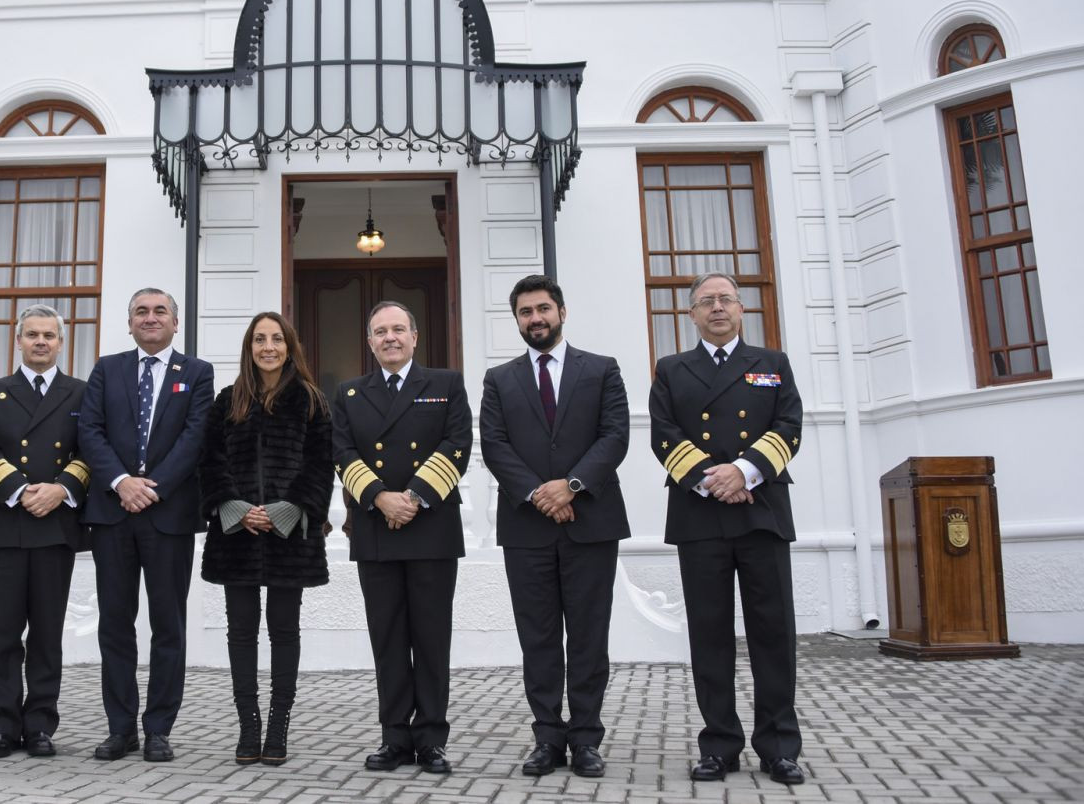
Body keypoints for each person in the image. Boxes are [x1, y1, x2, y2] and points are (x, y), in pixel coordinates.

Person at [648, 271, 806, 785]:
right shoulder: (672, 369)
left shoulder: (772, 364)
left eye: (726, 300)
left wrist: (745, 471)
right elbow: (664, 435)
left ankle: (779, 745)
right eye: (706, 302)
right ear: (691, 314)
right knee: (709, 635)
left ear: (741, 309)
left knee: (773, 633)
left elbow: (789, 426)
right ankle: (719, 744)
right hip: (700, 517)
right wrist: (712, 480)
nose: (717, 308)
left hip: (761, 513)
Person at [478, 274, 630, 778]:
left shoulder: (602, 370)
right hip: (527, 528)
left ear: (561, 312)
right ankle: (547, 736)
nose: (535, 319)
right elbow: (495, 445)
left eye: (543, 309)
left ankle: (586, 738)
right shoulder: (498, 380)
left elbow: (615, 436)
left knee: (589, 636)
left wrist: (574, 486)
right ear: (517, 320)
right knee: (538, 638)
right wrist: (542, 494)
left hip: (592, 523)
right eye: (525, 312)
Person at [331, 300, 472, 776]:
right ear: (369, 343)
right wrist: (378, 497)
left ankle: (431, 738)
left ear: (415, 336)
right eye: (379, 332)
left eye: (398, 329)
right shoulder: (350, 393)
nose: (389, 338)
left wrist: (411, 496)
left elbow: (457, 445)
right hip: (376, 527)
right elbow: (342, 451)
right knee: (388, 638)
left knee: (431, 639)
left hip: (430, 525)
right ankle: (394, 736)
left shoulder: (446, 384)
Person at [76, 288, 214, 763]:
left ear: (176, 323)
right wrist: (120, 482)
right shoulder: (106, 368)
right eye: (141, 311)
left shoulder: (196, 373)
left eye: (160, 312)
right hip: (112, 516)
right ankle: (120, 729)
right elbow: (88, 431)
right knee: (115, 625)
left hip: (168, 516)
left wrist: (150, 487)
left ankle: (158, 729)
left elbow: (196, 436)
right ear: (129, 322)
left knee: (167, 626)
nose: (150, 318)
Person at [199, 312, 334, 767]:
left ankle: (278, 726)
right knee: (241, 632)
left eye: (277, 339)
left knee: (283, 630)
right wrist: (236, 510)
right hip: (236, 535)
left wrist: (284, 511)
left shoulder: (312, 402)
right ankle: (248, 726)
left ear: (289, 347)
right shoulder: (226, 400)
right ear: (249, 347)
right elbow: (209, 462)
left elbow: (320, 466)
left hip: (289, 535)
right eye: (260, 339)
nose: (268, 347)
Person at [0, 304, 90, 759]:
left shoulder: (81, 393)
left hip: (55, 526)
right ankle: (3, 725)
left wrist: (60, 490)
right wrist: (20, 491)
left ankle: (40, 724)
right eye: (32, 335)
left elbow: (91, 448)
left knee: (46, 632)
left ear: (61, 343)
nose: (41, 342)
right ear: (17, 341)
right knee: (3, 633)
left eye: (49, 336)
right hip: (5, 523)